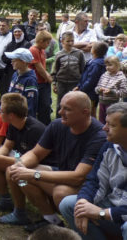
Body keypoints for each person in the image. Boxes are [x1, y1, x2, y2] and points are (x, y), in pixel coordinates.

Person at [0, 91, 106, 233]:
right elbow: (36, 154)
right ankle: (50, 220)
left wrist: (34, 174)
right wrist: (20, 164)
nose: (60, 112)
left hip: (87, 187)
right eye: (60, 107)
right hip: (62, 174)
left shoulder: (98, 136)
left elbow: (78, 177)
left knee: (61, 192)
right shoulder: (57, 125)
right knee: (19, 174)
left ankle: (79, 232)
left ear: (85, 112)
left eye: (67, 109)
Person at [59, 102, 127, 240]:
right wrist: (83, 204)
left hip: (119, 213)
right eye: (106, 123)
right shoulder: (110, 146)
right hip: (114, 205)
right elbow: (94, 181)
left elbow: (78, 177)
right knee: (69, 204)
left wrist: (102, 213)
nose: (104, 128)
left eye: (112, 125)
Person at [52, 31, 86, 118]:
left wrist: (80, 84)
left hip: (74, 83)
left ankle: (73, 120)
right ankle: (59, 121)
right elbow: (55, 70)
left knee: (74, 103)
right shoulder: (58, 54)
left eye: (72, 41)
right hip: (62, 83)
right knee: (61, 103)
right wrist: (54, 83)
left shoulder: (79, 53)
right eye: (68, 41)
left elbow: (83, 70)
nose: (70, 43)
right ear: (62, 41)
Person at [75, 42, 109, 119]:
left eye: (92, 47)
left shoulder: (96, 64)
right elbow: (85, 76)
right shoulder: (93, 61)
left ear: (93, 51)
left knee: (90, 110)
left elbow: (91, 80)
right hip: (88, 91)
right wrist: (78, 86)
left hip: (91, 93)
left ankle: (92, 125)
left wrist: (81, 89)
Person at [28, 31, 53, 125]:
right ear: (41, 41)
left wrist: (48, 76)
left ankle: (46, 125)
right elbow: (39, 68)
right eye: (47, 43)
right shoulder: (33, 50)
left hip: (44, 82)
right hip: (38, 83)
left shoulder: (41, 50)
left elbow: (43, 66)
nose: (48, 45)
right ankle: (42, 126)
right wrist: (49, 78)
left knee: (46, 106)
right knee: (42, 106)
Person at [6, 48, 38, 118]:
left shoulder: (30, 80)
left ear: (24, 62)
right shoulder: (15, 74)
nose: (11, 62)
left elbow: (30, 104)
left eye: (14, 60)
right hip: (12, 114)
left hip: (21, 117)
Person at [95, 56, 127, 124]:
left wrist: (111, 92)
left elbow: (124, 92)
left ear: (117, 65)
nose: (107, 67)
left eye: (110, 65)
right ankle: (102, 134)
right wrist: (99, 90)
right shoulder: (104, 75)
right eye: (106, 65)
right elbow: (97, 87)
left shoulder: (121, 77)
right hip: (101, 102)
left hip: (112, 103)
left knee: (110, 121)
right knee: (101, 120)